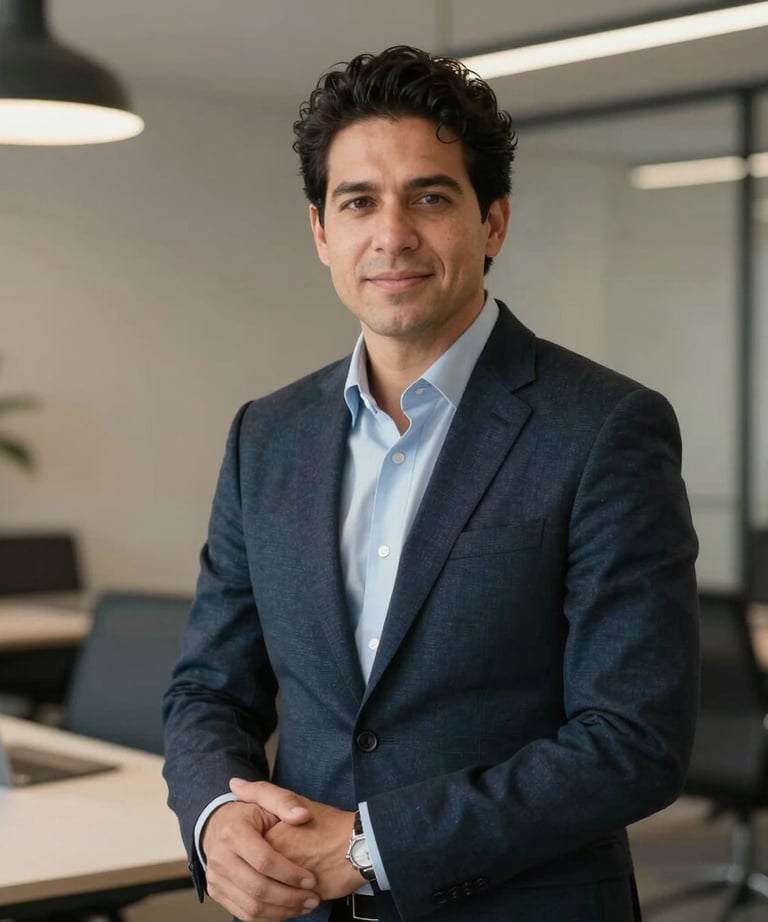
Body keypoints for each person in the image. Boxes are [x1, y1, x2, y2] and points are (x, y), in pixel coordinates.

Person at [162, 44, 699, 922]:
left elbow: (632, 740)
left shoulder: (604, 427)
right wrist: (217, 818)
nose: (392, 234)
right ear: (321, 233)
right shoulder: (267, 434)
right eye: (359, 202)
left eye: (431, 196)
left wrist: (371, 847)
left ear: (492, 224)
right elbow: (208, 690)